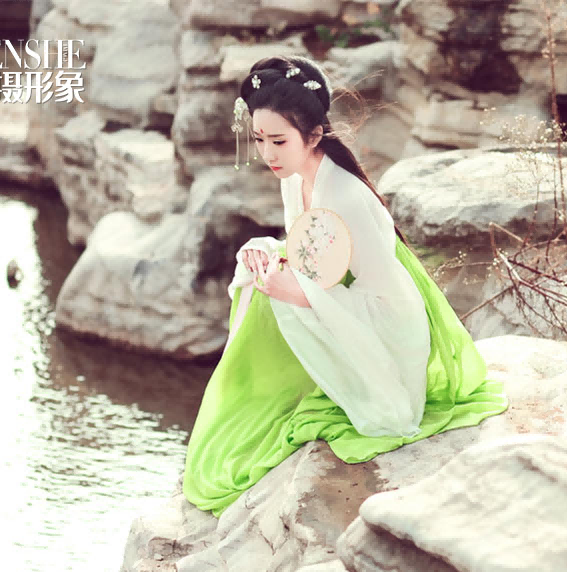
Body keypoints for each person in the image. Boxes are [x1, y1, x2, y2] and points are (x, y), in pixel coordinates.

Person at [182, 55, 509, 518]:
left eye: (279, 141)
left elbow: (384, 298)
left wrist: (299, 293)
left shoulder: (345, 196)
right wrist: (266, 253)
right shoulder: (296, 179)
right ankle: (268, 391)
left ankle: (310, 390)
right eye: (259, 139)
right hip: (343, 301)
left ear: (314, 135)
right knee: (256, 279)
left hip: (389, 331)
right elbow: (308, 253)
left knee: (276, 298)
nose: (268, 154)